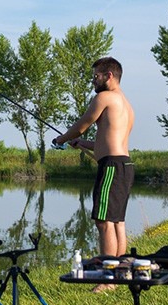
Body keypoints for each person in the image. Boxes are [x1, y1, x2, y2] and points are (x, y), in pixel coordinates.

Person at [52, 57, 134, 290]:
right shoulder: (125, 104)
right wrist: (81, 143)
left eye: (96, 75)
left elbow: (82, 124)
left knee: (103, 221)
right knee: (117, 221)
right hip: (124, 165)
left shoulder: (104, 97)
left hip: (111, 166)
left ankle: (107, 280)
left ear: (109, 75)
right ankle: (119, 274)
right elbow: (108, 140)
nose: (93, 79)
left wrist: (62, 139)